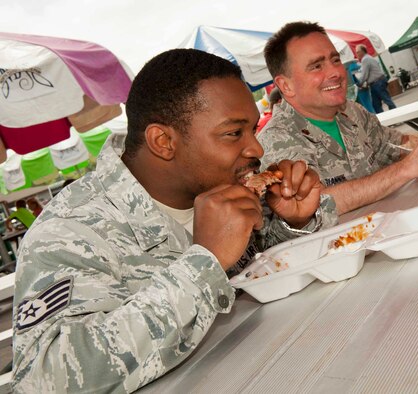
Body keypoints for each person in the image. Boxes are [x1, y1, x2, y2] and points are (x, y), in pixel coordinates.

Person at [11, 49, 337, 392]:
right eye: (233, 133)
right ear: (163, 141)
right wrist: (204, 263)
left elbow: (261, 272)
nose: (256, 149)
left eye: (252, 130)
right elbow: (46, 379)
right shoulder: (70, 230)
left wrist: (294, 223)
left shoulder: (222, 183)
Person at [259, 21, 418, 215]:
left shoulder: (351, 112)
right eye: (317, 66)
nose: (336, 72)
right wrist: (404, 170)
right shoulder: (274, 141)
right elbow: (313, 205)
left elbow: (398, 146)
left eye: (335, 60)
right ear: (285, 85)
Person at [354, 44, 396, 113]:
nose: (357, 53)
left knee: (386, 100)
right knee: (376, 105)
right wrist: (366, 84)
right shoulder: (369, 57)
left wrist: (358, 84)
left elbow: (364, 74)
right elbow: (370, 73)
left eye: (358, 52)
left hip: (377, 83)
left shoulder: (365, 59)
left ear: (362, 51)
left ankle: (396, 116)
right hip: (376, 83)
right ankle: (383, 120)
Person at [351, 45, 376, 113]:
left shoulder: (364, 60)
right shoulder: (359, 64)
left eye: (358, 52)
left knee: (366, 108)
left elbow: (363, 75)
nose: (357, 54)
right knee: (371, 105)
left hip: (360, 89)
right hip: (365, 88)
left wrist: (360, 84)